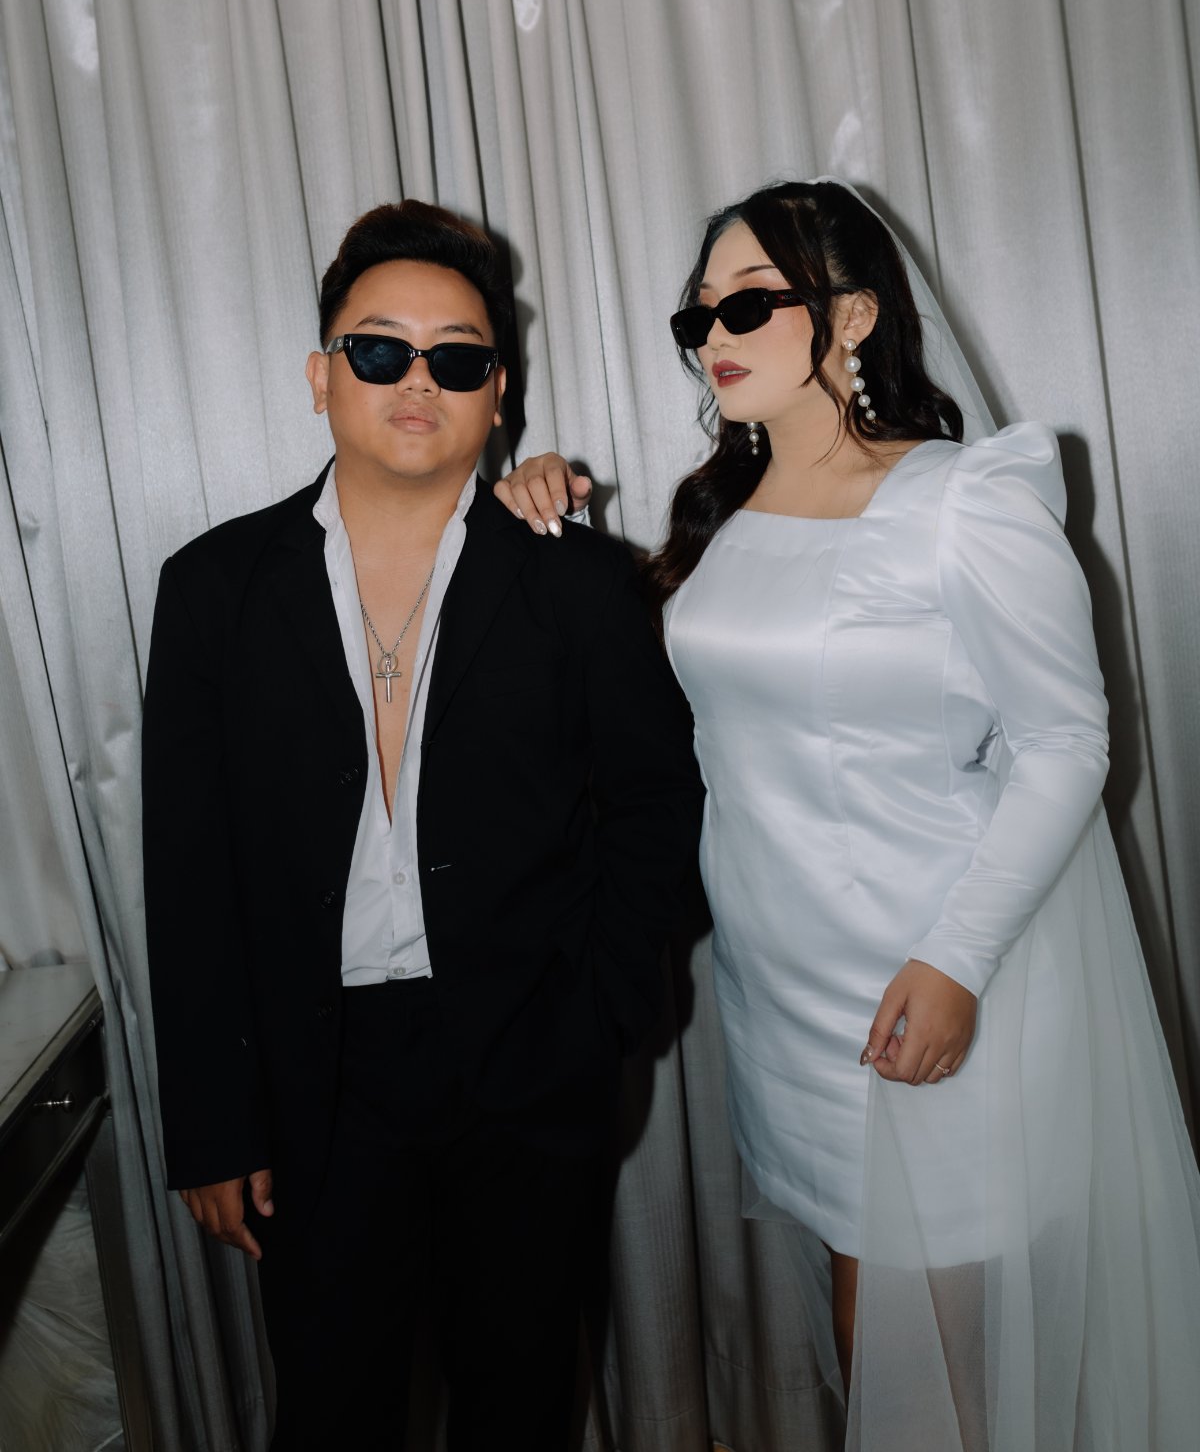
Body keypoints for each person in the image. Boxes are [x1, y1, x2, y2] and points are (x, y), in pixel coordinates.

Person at [497, 178, 1200, 1451]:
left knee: (934, 1377)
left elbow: (1065, 744)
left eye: (750, 304)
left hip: (934, 977)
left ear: (856, 314)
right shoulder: (722, 513)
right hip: (783, 996)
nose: (713, 336)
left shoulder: (964, 499)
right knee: (877, 1352)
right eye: (699, 314)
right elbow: (681, 711)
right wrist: (548, 521)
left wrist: (956, 962)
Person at [141, 201, 704, 1451]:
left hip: (529, 1065)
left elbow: (658, 808)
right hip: (313, 1084)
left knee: (522, 1410)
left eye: (456, 358)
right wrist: (211, 1122)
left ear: (496, 394)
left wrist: (602, 1014)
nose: (416, 381)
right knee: (332, 1415)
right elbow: (188, 875)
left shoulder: (577, 582)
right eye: (379, 349)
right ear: (321, 376)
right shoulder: (215, 589)